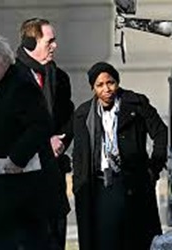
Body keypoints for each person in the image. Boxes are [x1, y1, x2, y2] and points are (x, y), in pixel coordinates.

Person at [0, 35, 65, 250]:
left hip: (27, 189)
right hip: (8, 188)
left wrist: (16, 159)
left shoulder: (20, 84)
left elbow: (40, 125)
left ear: (3, 60)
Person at [73, 61, 166, 250]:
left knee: (135, 240)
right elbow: (79, 154)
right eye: (100, 85)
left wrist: (153, 168)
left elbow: (161, 132)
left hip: (132, 183)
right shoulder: (84, 114)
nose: (106, 89)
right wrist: (78, 184)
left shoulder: (136, 103)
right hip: (100, 187)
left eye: (111, 83)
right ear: (93, 88)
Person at [15, 17, 75, 249]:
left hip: (53, 173)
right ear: (31, 43)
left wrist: (60, 142)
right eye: (49, 40)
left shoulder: (59, 77)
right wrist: (43, 143)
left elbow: (67, 116)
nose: (55, 46)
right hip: (24, 174)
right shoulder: (11, 77)